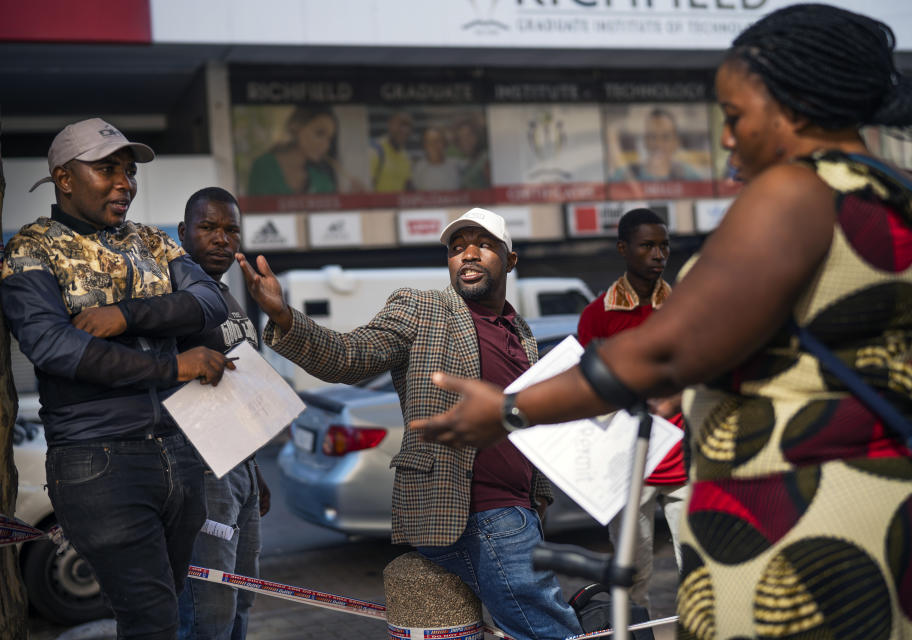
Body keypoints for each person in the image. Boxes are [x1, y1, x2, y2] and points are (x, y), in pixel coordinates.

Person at [411, 5, 912, 638]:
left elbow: (665, 352)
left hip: (799, 529)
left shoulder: (794, 193)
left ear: (795, 108)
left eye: (734, 117)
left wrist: (509, 411)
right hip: (907, 513)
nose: (727, 138)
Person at [237, 207, 582, 640]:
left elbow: (528, 426)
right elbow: (350, 355)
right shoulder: (422, 309)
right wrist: (285, 317)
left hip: (520, 511)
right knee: (551, 630)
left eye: (483, 245)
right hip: (471, 511)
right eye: (457, 248)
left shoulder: (523, 333)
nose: (468, 255)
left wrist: (540, 496)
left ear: (510, 260)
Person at [0, 118, 231, 639]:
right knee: (152, 620)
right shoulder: (31, 250)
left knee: (164, 608)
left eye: (129, 172)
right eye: (108, 170)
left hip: (178, 447)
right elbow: (58, 348)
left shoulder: (152, 240)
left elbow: (209, 302)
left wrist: (126, 315)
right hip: (98, 458)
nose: (125, 183)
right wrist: (175, 365)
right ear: (64, 177)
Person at [576, 208, 687, 610]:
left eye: (664, 245)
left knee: (699, 574)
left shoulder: (686, 308)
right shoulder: (597, 315)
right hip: (625, 470)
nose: (659, 254)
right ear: (624, 249)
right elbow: (585, 390)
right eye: (647, 246)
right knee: (632, 579)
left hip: (685, 464)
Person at [176, 187, 270, 640]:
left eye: (230, 229)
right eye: (208, 227)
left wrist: (255, 472)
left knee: (240, 598)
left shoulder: (228, 296)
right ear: (183, 233)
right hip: (203, 469)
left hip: (241, 467)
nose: (221, 239)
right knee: (208, 608)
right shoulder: (175, 294)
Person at [247, 106, 339, 196]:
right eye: (319, 133)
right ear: (296, 126)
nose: (325, 145)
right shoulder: (264, 167)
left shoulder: (322, 181)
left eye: (329, 139)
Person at [611, 109, 703, 182]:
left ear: (676, 142)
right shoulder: (623, 177)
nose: (659, 144)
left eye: (666, 137)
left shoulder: (689, 176)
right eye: (653, 137)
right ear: (645, 140)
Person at [370, 110, 414, 192]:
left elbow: (407, 186)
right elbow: (367, 185)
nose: (404, 129)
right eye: (401, 124)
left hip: (397, 204)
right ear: (389, 125)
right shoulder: (375, 150)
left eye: (408, 126)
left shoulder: (406, 157)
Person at [411, 127, 460, 191]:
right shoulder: (417, 168)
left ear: (444, 143)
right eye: (429, 142)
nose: (433, 145)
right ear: (424, 145)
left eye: (437, 141)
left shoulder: (456, 166)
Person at [451, 117, 490, 190]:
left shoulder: (485, 160)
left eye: (469, 135)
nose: (466, 141)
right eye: (461, 137)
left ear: (477, 136)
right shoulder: (464, 163)